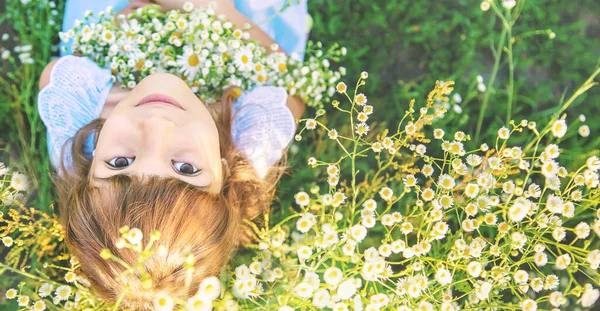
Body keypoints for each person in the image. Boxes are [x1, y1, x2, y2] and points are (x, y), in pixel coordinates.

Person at [37, 0, 308, 308]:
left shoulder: (80, 145)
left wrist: (110, 35)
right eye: (185, 168)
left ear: (93, 159)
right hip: (240, 32)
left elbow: (52, 77)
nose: (156, 124)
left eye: (121, 162)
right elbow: (294, 90)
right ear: (223, 173)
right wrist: (215, 10)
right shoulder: (246, 147)